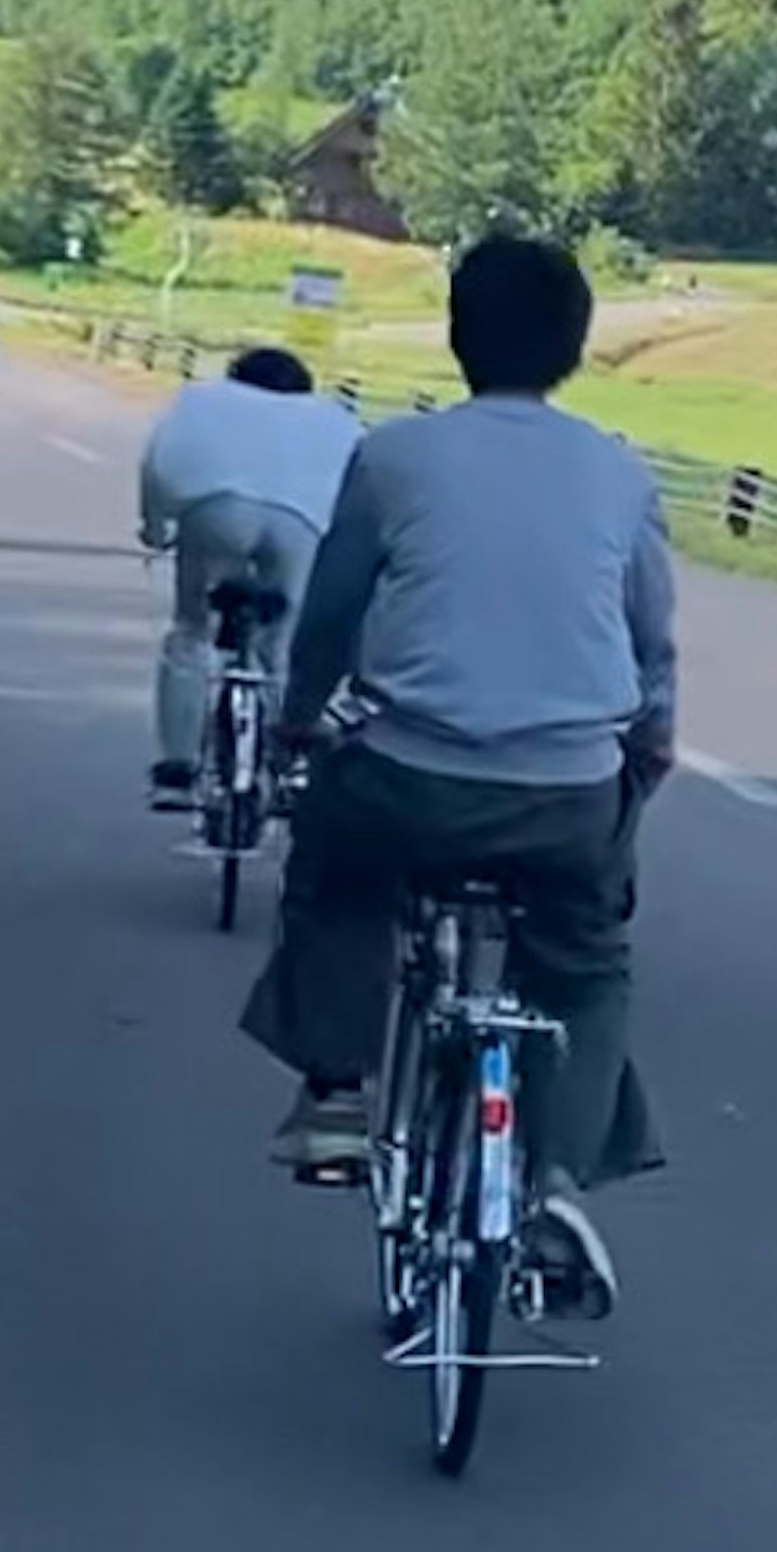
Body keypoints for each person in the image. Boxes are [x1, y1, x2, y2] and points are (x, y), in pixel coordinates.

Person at [243, 231, 675, 1305]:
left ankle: (339, 1086)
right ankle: (558, 1173)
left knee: (339, 877)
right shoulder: (620, 470)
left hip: (407, 774)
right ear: (576, 346)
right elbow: (650, 638)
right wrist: (650, 742)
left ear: (456, 333)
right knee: (584, 956)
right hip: (567, 795)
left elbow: (334, 611)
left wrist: (298, 723)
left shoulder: (396, 456)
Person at [135, 342, 364, 807]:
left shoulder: (205, 399)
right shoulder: (332, 417)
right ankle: (285, 758)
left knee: (192, 631)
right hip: (303, 519)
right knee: (282, 644)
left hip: (215, 505)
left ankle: (177, 769)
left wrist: (156, 528)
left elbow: (157, 461)